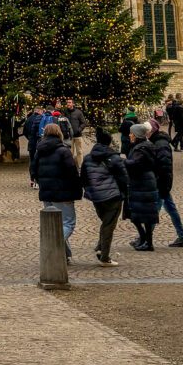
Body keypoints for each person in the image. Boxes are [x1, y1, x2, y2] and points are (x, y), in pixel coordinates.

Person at [31, 121, 82, 261]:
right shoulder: (63, 150)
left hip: (47, 192)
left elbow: (33, 170)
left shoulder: (39, 151)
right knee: (68, 223)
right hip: (63, 193)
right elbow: (72, 172)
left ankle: (65, 255)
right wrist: (77, 188)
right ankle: (52, 246)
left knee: (56, 224)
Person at [80, 128, 128, 266]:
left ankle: (100, 247)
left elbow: (83, 177)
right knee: (108, 225)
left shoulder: (88, 158)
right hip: (113, 196)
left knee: (105, 222)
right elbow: (124, 178)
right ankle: (104, 257)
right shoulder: (114, 158)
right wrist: (123, 194)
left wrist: (90, 191)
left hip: (96, 197)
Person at [149, 120, 183, 246]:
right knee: (171, 209)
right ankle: (182, 236)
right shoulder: (157, 142)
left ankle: (144, 237)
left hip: (161, 182)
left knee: (154, 211)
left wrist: (162, 183)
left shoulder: (160, 144)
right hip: (163, 182)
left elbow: (164, 165)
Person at [125, 123, 160, 251]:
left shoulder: (142, 148)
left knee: (144, 215)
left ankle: (148, 242)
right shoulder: (141, 146)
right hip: (140, 183)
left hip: (144, 183)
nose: (129, 135)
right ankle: (144, 239)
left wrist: (123, 162)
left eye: (131, 133)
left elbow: (136, 163)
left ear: (136, 135)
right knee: (136, 215)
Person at [23, 106, 45, 174]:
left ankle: (32, 178)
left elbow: (24, 132)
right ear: (39, 111)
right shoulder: (42, 119)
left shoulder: (28, 119)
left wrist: (29, 138)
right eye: (42, 112)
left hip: (31, 143)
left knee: (32, 161)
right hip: (40, 142)